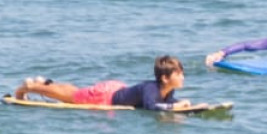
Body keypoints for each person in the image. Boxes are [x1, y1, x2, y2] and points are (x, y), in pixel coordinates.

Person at [11, 55, 191, 109]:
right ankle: (29, 88)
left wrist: (178, 104)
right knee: (72, 96)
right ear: (165, 78)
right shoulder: (152, 88)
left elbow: (163, 103)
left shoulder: (167, 90)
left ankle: (46, 85)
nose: (182, 77)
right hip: (106, 96)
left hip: (115, 90)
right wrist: (176, 106)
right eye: (179, 74)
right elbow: (152, 106)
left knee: (75, 92)